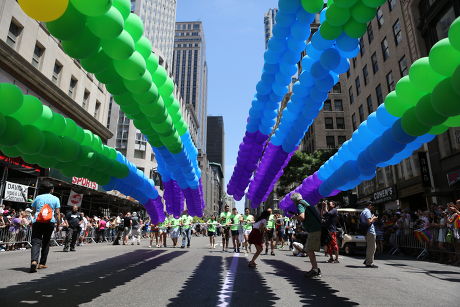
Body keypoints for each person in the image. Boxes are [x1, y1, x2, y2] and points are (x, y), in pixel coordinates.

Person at [29, 181, 61, 273]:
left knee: (36, 241)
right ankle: (42, 263)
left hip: (38, 222)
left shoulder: (38, 198)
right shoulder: (56, 199)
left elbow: (33, 211)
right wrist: (58, 224)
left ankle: (34, 261)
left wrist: (32, 219)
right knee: (46, 242)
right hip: (49, 222)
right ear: (51, 190)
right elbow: (58, 213)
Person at [291, 193, 322, 278]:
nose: (293, 203)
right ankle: (315, 269)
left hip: (313, 229)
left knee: (308, 249)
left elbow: (302, 217)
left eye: (292, 201)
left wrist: (295, 217)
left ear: (295, 200)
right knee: (309, 249)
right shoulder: (306, 203)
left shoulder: (300, 204)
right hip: (316, 228)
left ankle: (315, 270)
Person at [360, 201, 378, 268]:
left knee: (372, 247)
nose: (372, 207)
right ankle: (369, 263)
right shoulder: (367, 212)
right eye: (372, 206)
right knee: (371, 248)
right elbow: (369, 222)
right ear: (369, 205)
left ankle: (367, 260)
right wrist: (374, 218)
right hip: (370, 231)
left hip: (367, 231)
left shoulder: (363, 212)